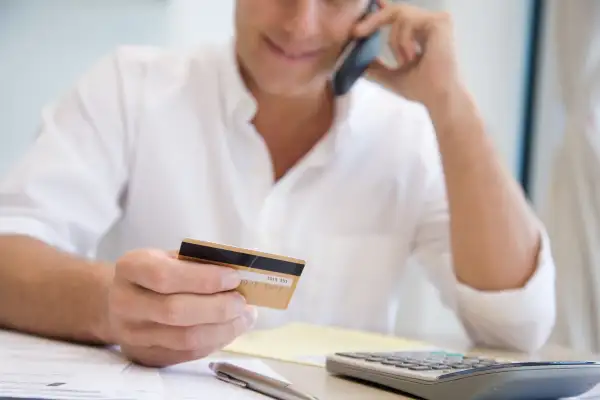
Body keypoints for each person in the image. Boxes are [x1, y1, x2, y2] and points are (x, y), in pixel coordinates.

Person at [0, 0, 555, 367]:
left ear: (374, 10)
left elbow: (517, 324)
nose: (300, 24)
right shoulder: (131, 85)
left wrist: (451, 106)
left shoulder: (409, 134)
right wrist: (106, 304)